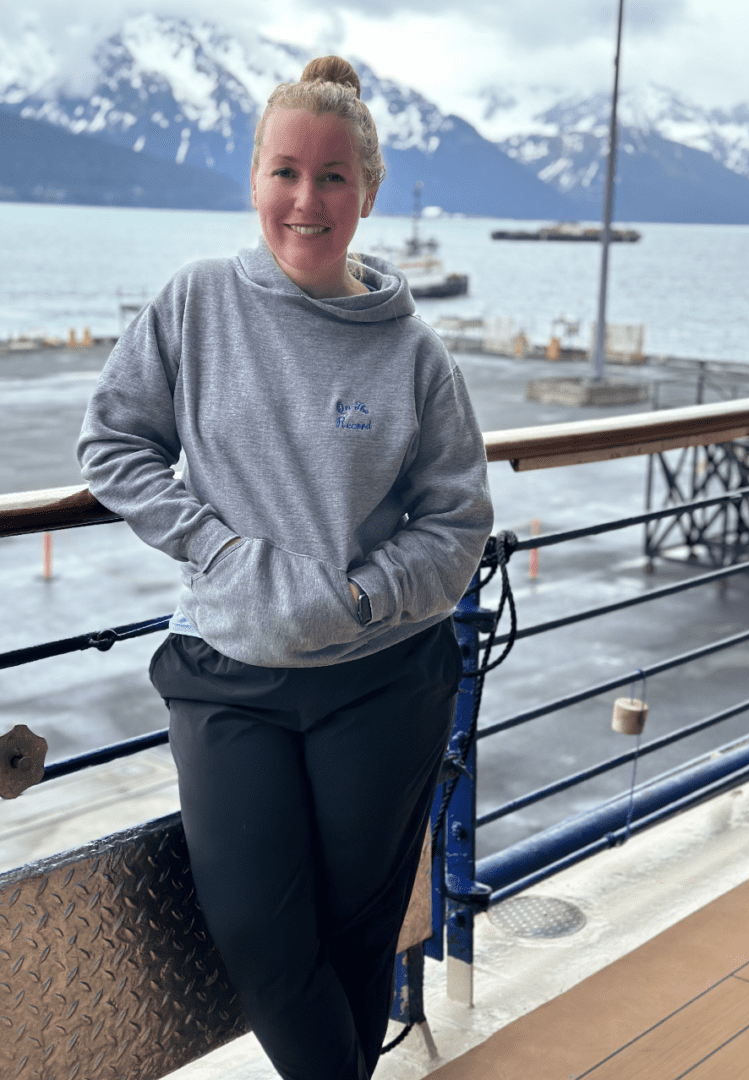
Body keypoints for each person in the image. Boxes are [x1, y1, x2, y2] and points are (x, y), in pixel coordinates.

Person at [77, 55, 493, 1080]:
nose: (305, 202)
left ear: (368, 191)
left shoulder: (413, 353)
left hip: (383, 678)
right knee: (263, 942)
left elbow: (456, 522)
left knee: (355, 944)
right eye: (284, 172)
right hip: (228, 672)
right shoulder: (197, 303)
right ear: (255, 178)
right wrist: (215, 545)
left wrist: (359, 596)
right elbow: (113, 445)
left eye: (333, 177)